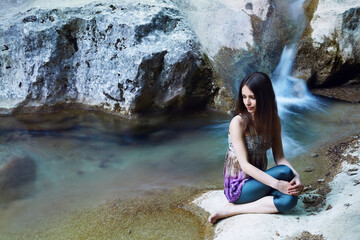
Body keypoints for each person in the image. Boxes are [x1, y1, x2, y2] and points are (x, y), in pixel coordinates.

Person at [209, 72, 304, 224]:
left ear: (265, 97)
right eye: (244, 97)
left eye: (252, 97)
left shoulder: (273, 120)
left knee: (290, 200)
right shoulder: (238, 122)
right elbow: (245, 166)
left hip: (260, 181)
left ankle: (240, 207)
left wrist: (297, 177)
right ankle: (232, 209)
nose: (247, 102)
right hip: (240, 188)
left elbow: (280, 157)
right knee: (284, 174)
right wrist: (277, 184)